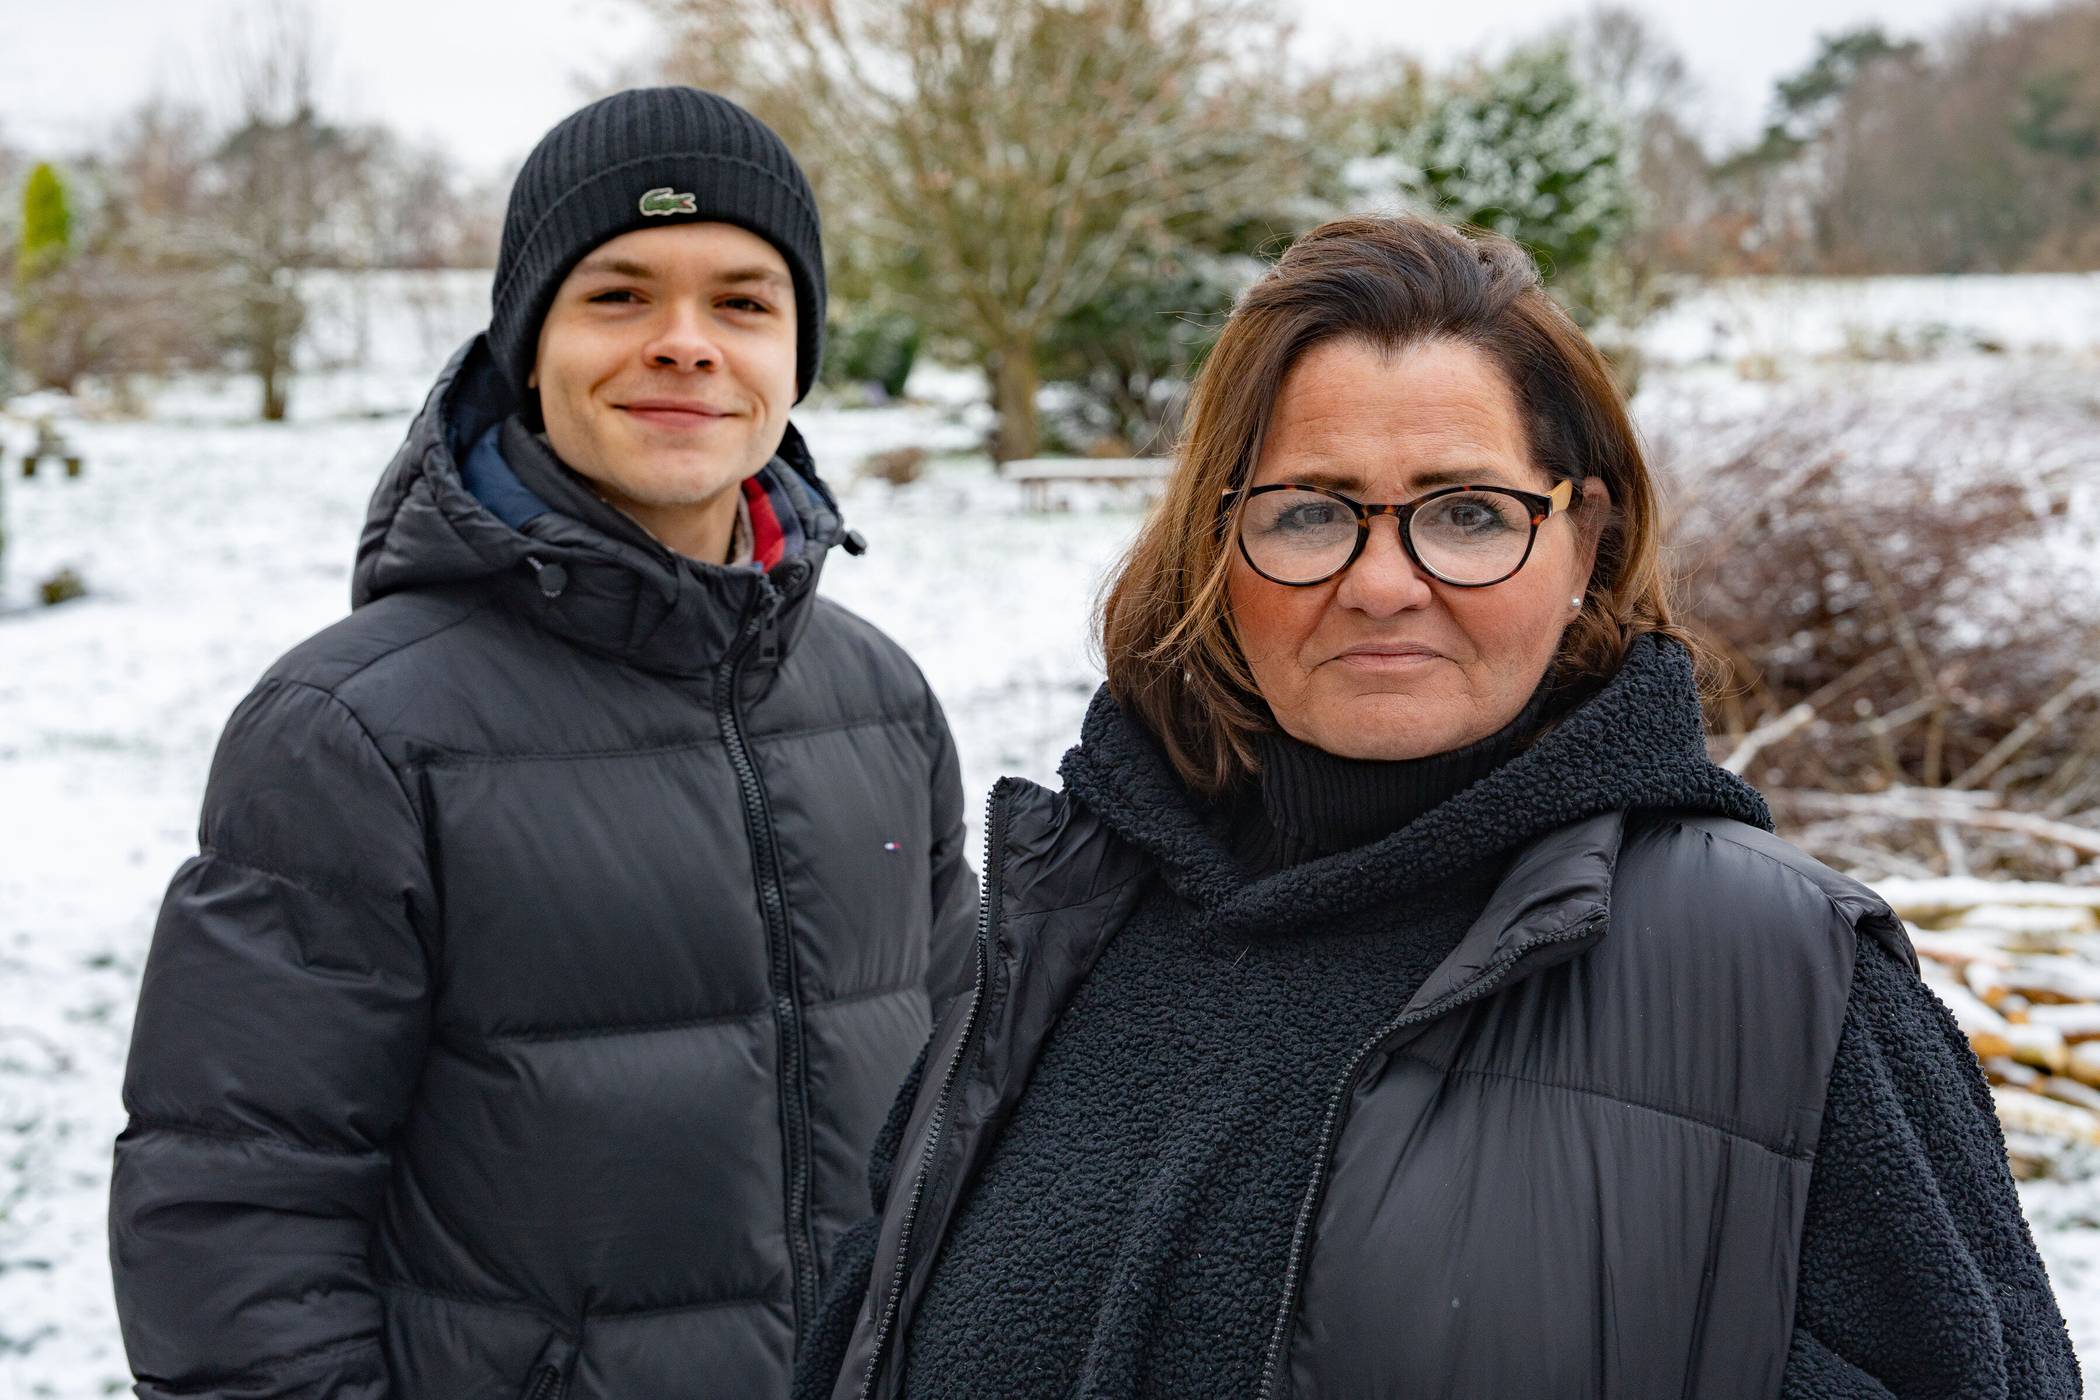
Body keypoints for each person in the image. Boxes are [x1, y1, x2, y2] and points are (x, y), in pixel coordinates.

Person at [802, 215, 2078, 1399]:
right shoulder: (1062, 936)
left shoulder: (1784, 988)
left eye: (1468, 514)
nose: (1382, 582)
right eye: (1310, 510)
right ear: (1213, 544)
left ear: (1584, 541)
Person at [109, 86, 977, 1399]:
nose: (685, 344)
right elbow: (233, 1218)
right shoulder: (353, 736)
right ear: (528, 342)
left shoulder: (884, 703)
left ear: (797, 357)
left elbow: (961, 1122)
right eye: (619, 296)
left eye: (743, 302)